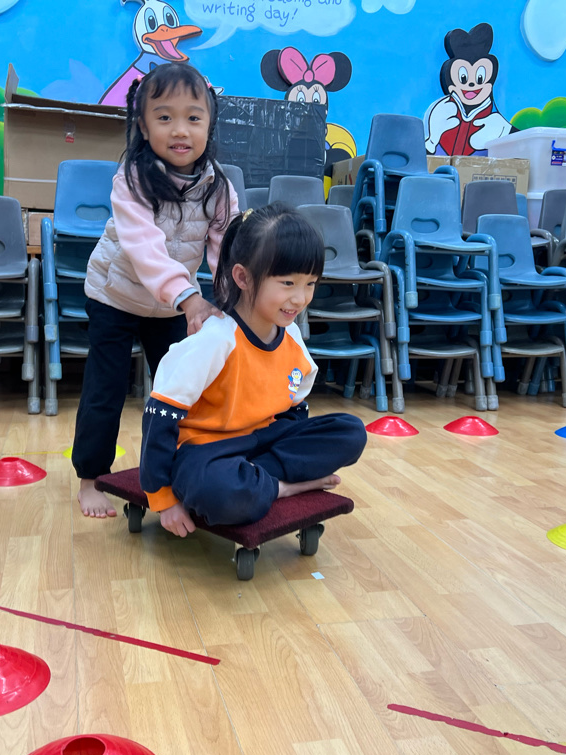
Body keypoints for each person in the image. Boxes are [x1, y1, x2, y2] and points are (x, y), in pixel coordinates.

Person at [139, 203, 368, 537]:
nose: (300, 298)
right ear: (243, 277)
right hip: (205, 450)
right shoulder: (215, 340)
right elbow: (159, 418)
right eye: (288, 283)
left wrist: (294, 448)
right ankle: (279, 486)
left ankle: (258, 480)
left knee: (350, 432)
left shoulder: (291, 335)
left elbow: (294, 410)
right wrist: (163, 500)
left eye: (310, 284)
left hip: (261, 442)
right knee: (221, 491)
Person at [75, 62, 239, 518]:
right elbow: (144, 249)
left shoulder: (219, 188)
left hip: (170, 308)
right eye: (164, 117)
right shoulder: (131, 180)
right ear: (144, 128)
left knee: (177, 392)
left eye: (193, 117)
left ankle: (170, 472)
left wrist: (235, 304)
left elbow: (227, 252)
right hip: (115, 296)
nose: (180, 129)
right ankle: (91, 479)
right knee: (105, 391)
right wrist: (189, 298)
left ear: (209, 125)